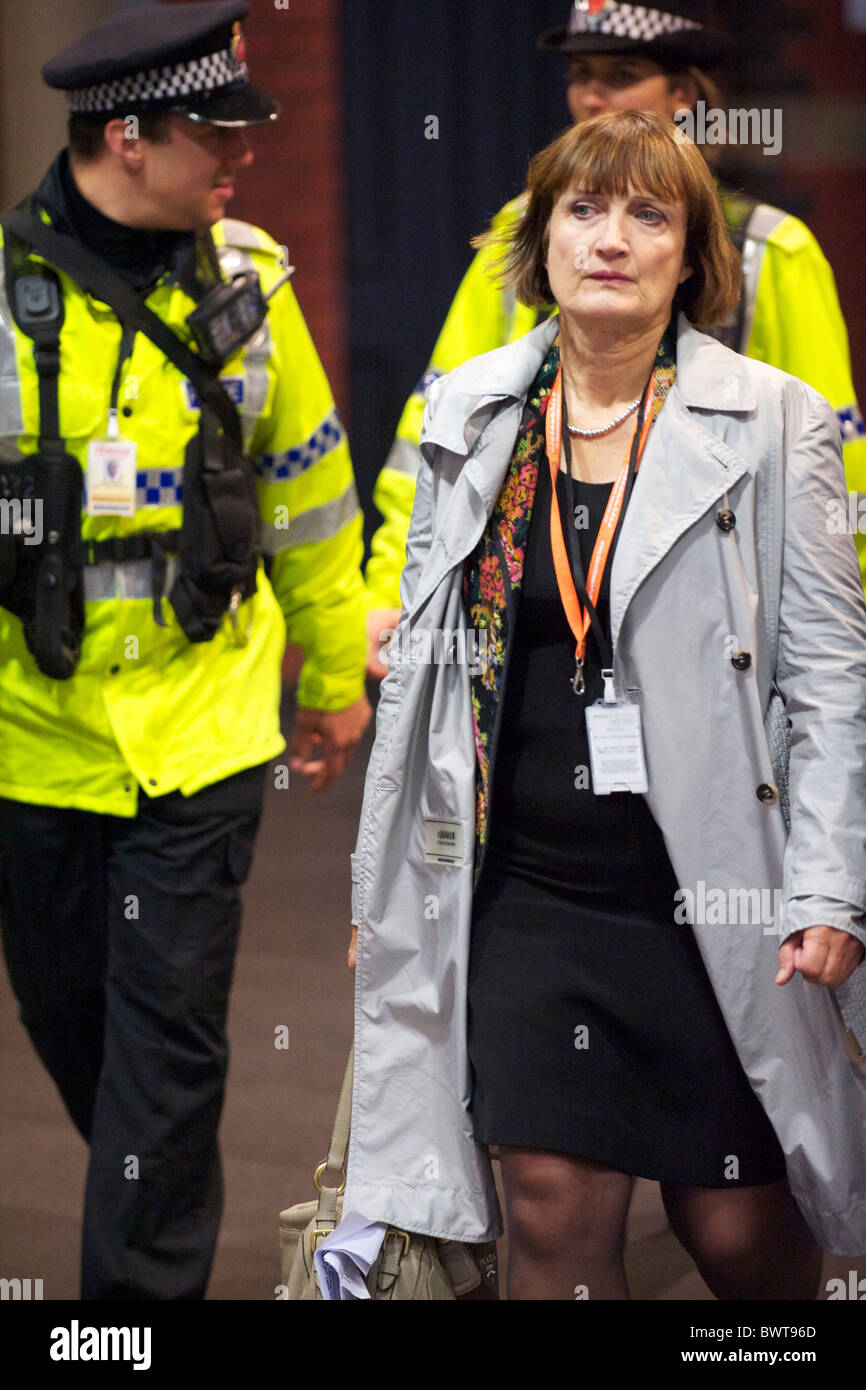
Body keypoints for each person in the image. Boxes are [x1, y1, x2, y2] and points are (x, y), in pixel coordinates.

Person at [342, 110, 866, 1301]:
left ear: (693, 255)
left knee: (735, 1226)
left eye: (648, 214)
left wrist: (831, 883)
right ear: (540, 243)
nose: (611, 239)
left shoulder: (774, 419)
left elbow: (833, 676)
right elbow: (427, 689)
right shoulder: (468, 413)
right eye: (582, 210)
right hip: (527, 887)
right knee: (555, 1216)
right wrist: (387, 888)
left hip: (715, 889)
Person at [0, 0, 370, 1299]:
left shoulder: (253, 288)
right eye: (216, 135)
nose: (241, 158)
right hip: (32, 751)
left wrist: (332, 682)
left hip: (204, 731)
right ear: (125, 137)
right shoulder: (4, 302)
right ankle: (146, 1186)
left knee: (167, 1047)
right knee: (78, 1029)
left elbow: (313, 502)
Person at [364, 0, 866, 675]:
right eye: (581, 73)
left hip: (711, 614)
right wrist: (392, 589)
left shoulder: (769, 249)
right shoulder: (520, 233)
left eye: (622, 74)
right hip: (537, 593)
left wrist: (844, 629)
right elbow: (433, 440)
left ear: (683, 97)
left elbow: (836, 467)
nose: (594, 95)